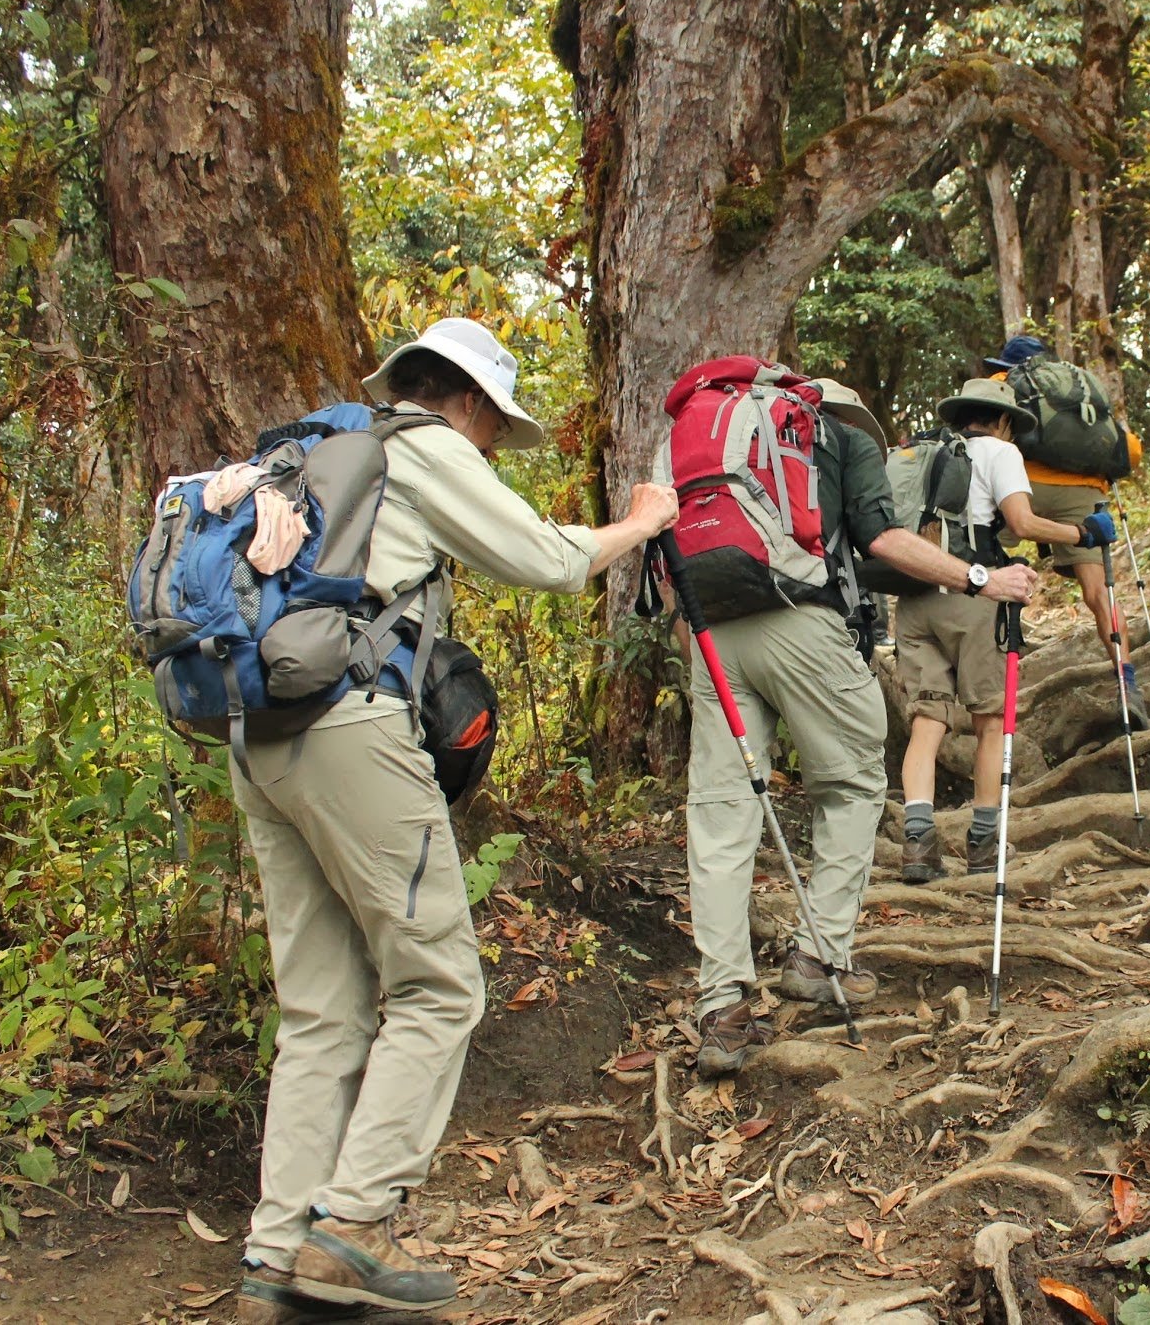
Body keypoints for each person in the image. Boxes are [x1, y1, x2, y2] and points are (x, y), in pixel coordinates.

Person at [233, 318, 679, 1325]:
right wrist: (641, 523)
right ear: (470, 401)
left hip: (259, 735)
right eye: (492, 429)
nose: (487, 448)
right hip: (351, 727)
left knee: (319, 1009)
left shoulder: (304, 454)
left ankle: (275, 1256)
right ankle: (351, 1228)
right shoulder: (420, 445)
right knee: (436, 985)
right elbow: (549, 560)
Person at [670, 375, 1038, 1077]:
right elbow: (885, 539)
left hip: (711, 633)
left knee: (719, 815)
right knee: (853, 782)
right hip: (802, 620)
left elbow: (668, 549)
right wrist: (983, 579)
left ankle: (721, 1007)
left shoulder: (705, 437)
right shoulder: (839, 434)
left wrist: (697, 646)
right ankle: (821, 954)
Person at [896, 377, 1116, 884]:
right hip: (975, 594)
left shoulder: (922, 452)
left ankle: (917, 844)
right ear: (1000, 421)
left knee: (927, 722)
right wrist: (1081, 532)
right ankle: (983, 843)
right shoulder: (999, 452)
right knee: (990, 721)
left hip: (913, 597)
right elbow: (1022, 520)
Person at [984, 335, 1149, 727]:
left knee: (982, 565)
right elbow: (1132, 450)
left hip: (1020, 486)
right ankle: (1127, 684)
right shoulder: (1079, 389)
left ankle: (981, 675)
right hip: (1083, 492)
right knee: (1098, 593)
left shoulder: (1002, 383)